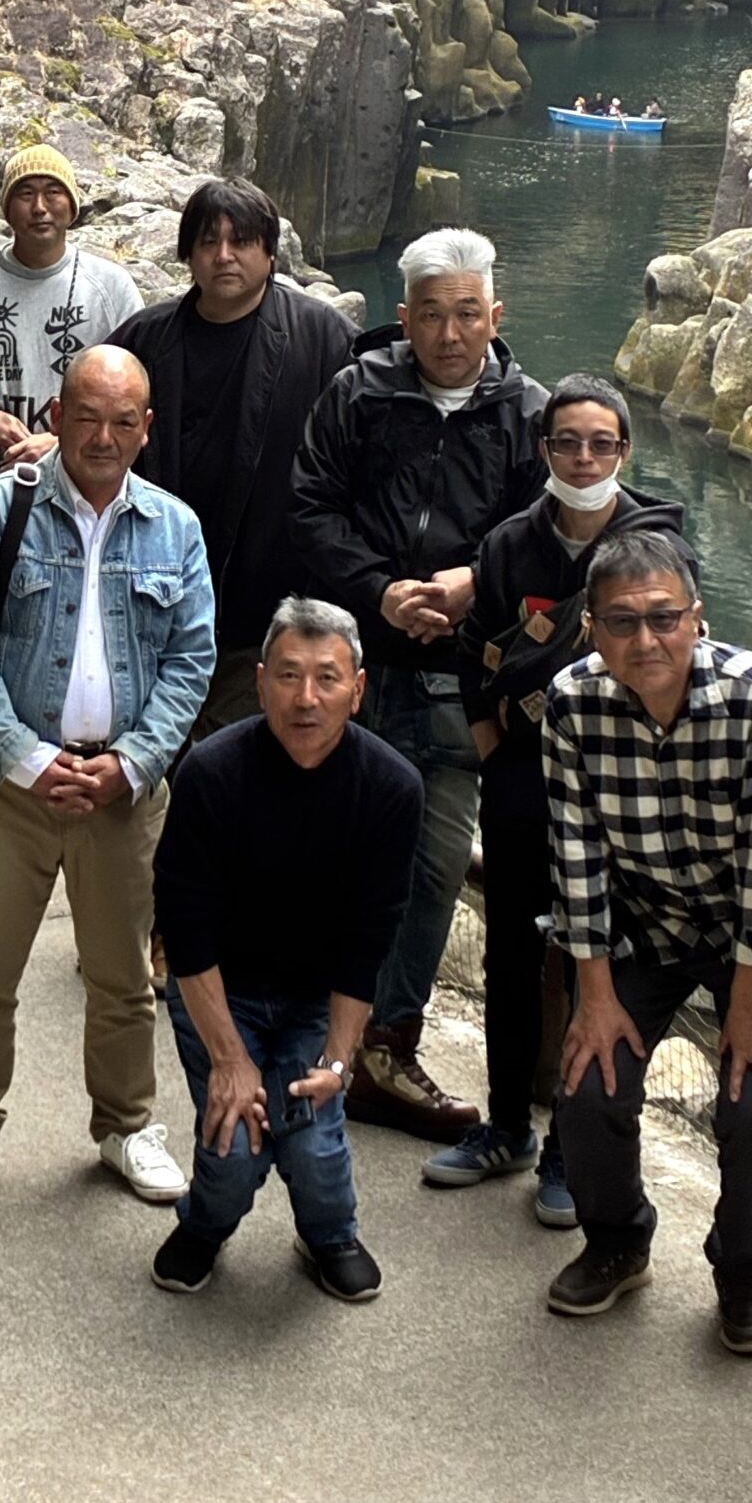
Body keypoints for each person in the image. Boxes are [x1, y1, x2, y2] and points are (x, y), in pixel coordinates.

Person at [0, 345, 213, 1207]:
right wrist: (21, 756)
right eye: (86, 416)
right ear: (55, 417)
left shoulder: (175, 527)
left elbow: (190, 659)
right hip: (11, 783)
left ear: (146, 428)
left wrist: (133, 762)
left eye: (123, 421)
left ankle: (125, 1124)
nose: (102, 437)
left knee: (122, 976)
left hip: (123, 789)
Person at [290, 226, 546, 1140]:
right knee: (331, 846)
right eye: (432, 315)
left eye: (466, 314)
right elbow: (308, 506)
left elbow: (546, 534)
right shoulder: (359, 393)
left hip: (458, 679)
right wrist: (379, 591)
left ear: (494, 315)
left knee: (435, 867)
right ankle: (311, 1027)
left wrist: (476, 580)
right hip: (355, 665)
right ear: (404, 319)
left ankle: (386, 1044)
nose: (449, 333)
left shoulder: (528, 414)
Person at [540, 528, 752, 1354]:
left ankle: (744, 1276)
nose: (645, 640)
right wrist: (593, 997)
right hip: (642, 920)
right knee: (588, 1084)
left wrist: (749, 1007)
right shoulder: (571, 702)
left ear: (697, 618)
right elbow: (576, 855)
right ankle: (616, 1242)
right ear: (590, 629)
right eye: (621, 622)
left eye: (664, 618)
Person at [427, 375, 694, 1221]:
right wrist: (489, 744)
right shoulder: (510, 544)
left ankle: (568, 1148)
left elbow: (679, 656)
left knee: (597, 960)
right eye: (567, 442)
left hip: (621, 787)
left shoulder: (656, 546)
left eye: (600, 443)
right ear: (543, 449)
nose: (583, 458)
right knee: (509, 953)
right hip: (522, 778)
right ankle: (505, 1125)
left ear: (624, 450)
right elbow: (474, 647)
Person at [149, 596, 422, 1303]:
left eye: (327, 678)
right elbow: (185, 931)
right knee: (235, 1139)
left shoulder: (391, 787)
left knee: (312, 1138)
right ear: (261, 681)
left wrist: (338, 1059)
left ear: (356, 690)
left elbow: (370, 936)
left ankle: (329, 1234)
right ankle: (204, 1224)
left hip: (318, 995)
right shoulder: (210, 772)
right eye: (289, 676)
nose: (307, 698)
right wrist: (229, 1060)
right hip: (221, 987)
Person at [110, 179, 354, 739]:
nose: (224, 256)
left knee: (242, 765)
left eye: (241, 241)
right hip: (153, 603)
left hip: (267, 606)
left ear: (269, 252)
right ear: (188, 253)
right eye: (208, 241)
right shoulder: (144, 339)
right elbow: (93, 417)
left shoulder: (323, 338)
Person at [0, 145, 141, 467]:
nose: (39, 207)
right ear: (7, 209)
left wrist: (64, 441)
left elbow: (136, 392)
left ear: (72, 206)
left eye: (52, 192)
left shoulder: (112, 288)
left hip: (83, 471)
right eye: (25, 194)